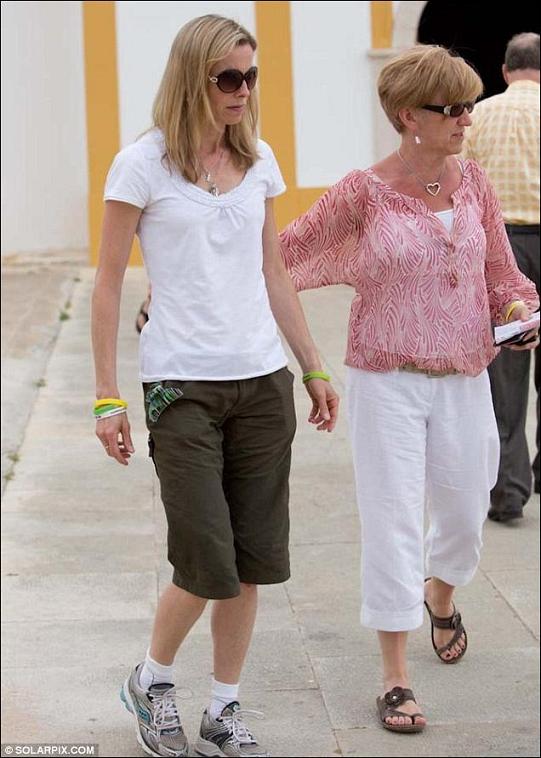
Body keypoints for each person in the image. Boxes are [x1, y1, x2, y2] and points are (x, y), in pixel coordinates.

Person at [91, 14, 338, 758]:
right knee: (206, 558)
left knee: (254, 559)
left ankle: (223, 709)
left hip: (260, 383)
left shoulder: (257, 159)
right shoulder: (140, 166)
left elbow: (273, 271)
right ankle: (153, 679)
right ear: (192, 77)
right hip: (180, 387)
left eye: (250, 76)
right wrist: (107, 397)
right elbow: (108, 286)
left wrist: (313, 364)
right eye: (228, 77)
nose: (242, 90)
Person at [279, 45, 539, 733]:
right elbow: (282, 255)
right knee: (392, 522)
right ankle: (393, 677)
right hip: (384, 378)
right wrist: (188, 283)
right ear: (406, 117)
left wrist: (515, 310)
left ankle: (440, 592)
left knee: (464, 509)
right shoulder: (361, 193)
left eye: (465, 105)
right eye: (448, 108)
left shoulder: (475, 184)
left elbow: (502, 276)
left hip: (463, 375)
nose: (463, 119)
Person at [462, 33, 540, 523]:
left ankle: (508, 491)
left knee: (506, 374)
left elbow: (461, 182)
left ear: (506, 69)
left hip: (504, 246)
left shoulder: (481, 114)